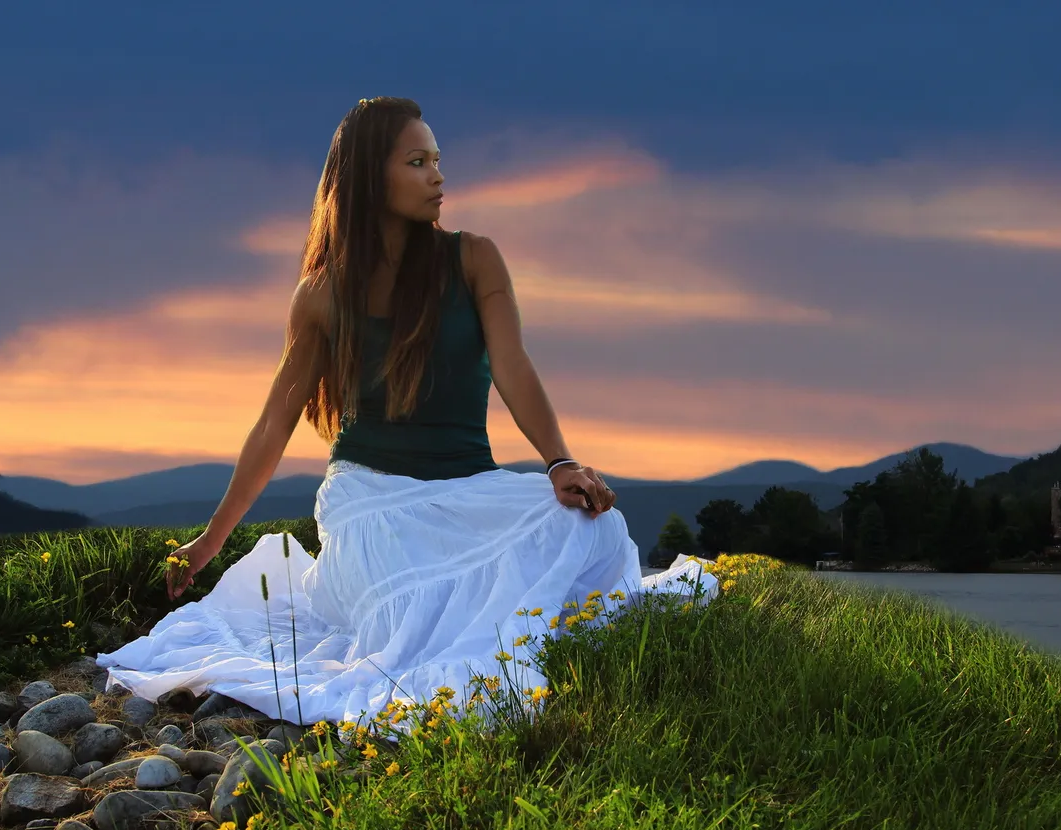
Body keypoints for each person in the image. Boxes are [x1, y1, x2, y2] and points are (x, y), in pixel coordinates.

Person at [96, 97, 717, 731]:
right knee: (414, 614)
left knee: (595, 530)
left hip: (468, 491)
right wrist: (211, 540)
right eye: (417, 161)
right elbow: (271, 427)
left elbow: (513, 367)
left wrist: (559, 462)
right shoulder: (321, 294)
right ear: (370, 177)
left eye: (438, 161)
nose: (437, 176)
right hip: (371, 499)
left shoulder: (474, 258)